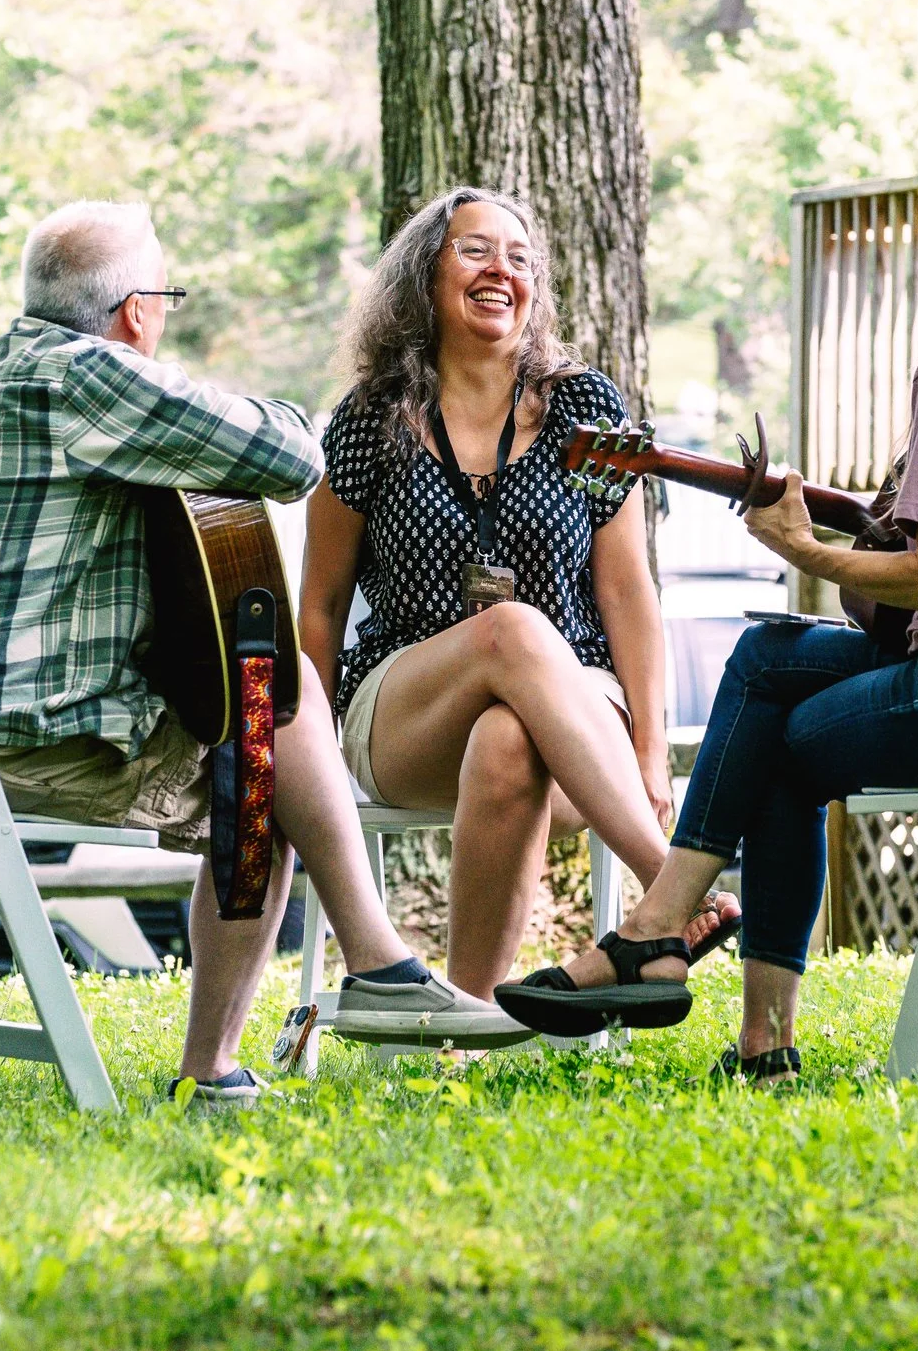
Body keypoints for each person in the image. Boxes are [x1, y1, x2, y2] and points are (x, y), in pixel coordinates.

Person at [494, 138, 918, 1083]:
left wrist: (800, 549)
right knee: (767, 664)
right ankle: (690, 965)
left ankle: (687, 962)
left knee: (774, 742)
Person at [0, 202, 515, 1108]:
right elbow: (288, 451)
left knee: (271, 723)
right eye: (162, 297)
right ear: (135, 311)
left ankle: (360, 974)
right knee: (265, 740)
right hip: (0, 745)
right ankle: (333, 992)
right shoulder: (88, 379)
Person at [301, 187, 738, 1001]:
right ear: (423, 275)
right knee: (510, 628)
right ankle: (673, 893)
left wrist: (648, 753)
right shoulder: (367, 420)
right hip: (408, 707)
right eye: (475, 249)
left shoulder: (585, 406)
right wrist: (314, 758)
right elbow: (321, 605)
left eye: (520, 257)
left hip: (576, 710)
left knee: (508, 734)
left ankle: (463, 1026)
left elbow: (626, 588)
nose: (501, 268)